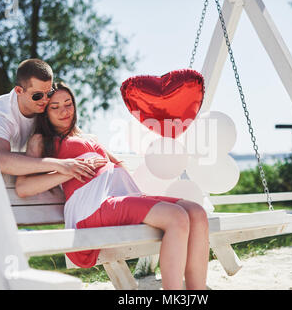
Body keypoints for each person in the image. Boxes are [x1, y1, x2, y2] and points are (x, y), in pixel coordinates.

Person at [15, 82, 210, 290]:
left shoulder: (84, 136)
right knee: (176, 217)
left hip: (116, 198)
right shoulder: (41, 140)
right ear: (45, 112)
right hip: (92, 206)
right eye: (55, 107)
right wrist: (68, 170)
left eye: (68, 103)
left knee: (197, 212)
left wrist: (136, 194)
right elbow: (23, 187)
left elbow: (116, 163)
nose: (64, 111)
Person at [0, 58, 94, 181]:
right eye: (38, 95)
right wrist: (59, 165)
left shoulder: (43, 106)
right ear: (19, 91)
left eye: (49, 92)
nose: (45, 100)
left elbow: (71, 130)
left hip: (33, 180)